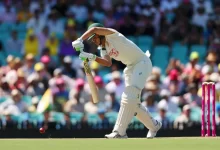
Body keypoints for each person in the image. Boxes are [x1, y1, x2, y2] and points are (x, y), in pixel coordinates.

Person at [72, 23, 162, 138]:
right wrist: (91, 57)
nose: (93, 41)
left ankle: (119, 132)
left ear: (100, 34)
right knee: (132, 104)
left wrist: (80, 39)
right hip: (130, 67)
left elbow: (94, 29)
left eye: (94, 37)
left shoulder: (113, 35)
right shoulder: (103, 49)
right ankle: (154, 126)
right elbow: (108, 63)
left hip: (142, 62)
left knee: (129, 96)